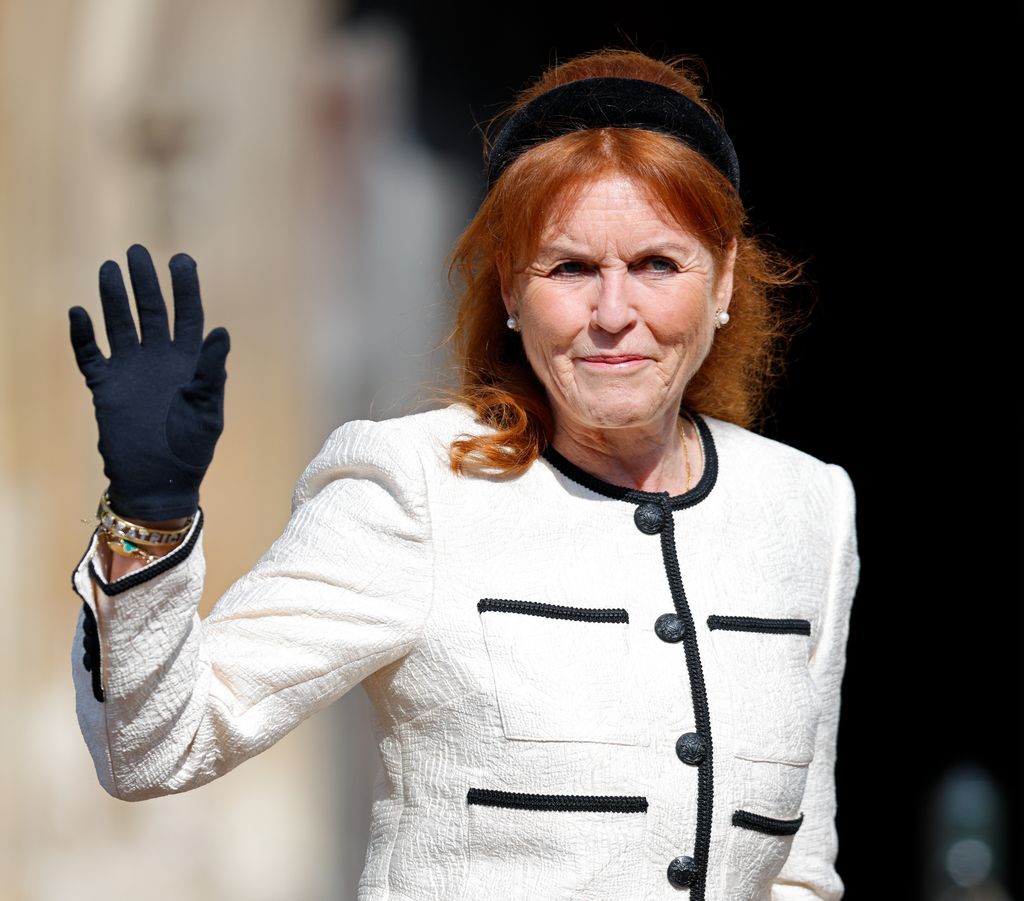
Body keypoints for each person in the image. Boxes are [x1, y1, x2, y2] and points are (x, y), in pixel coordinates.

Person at [67, 49, 858, 901]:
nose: (615, 313)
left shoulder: (804, 507)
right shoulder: (412, 488)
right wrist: (149, 519)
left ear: (725, 277)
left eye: (659, 264)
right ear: (512, 288)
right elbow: (151, 747)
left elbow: (798, 872)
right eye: (571, 268)